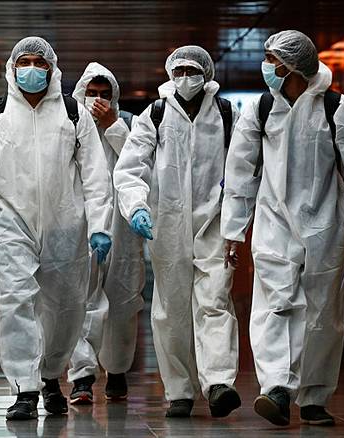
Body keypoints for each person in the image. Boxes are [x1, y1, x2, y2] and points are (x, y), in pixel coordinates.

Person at [221, 30, 344, 427]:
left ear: (291, 67)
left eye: (272, 60)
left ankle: (314, 397)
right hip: (274, 222)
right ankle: (277, 387)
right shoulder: (260, 109)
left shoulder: (335, 108)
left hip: (327, 225)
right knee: (275, 305)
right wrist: (233, 230)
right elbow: (239, 173)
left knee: (323, 312)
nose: (266, 67)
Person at [0, 36, 113, 421]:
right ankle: (24, 388)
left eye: (39, 62)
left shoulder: (73, 113)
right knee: (15, 302)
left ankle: (50, 374)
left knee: (66, 308)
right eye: (24, 61)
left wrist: (100, 225)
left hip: (67, 223)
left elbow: (95, 174)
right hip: (13, 222)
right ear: (12, 68)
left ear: (51, 67)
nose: (31, 69)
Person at [114, 45, 241, 418]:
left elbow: (244, 168)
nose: (186, 77)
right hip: (167, 226)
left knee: (215, 301)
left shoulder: (227, 114)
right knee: (170, 310)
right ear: (170, 74)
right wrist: (137, 206)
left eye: (192, 70)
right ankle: (180, 391)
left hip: (214, 223)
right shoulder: (154, 115)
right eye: (179, 70)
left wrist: (237, 222)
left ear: (206, 73)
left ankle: (218, 382)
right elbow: (130, 168)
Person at [67, 63, 145, 405]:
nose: (97, 100)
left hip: (122, 227)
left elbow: (140, 163)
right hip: (82, 223)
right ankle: (82, 376)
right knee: (82, 299)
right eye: (91, 93)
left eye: (104, 94)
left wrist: (113, 125)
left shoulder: (130, 123)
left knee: (123, 300)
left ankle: (117, 369)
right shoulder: (69, 124)